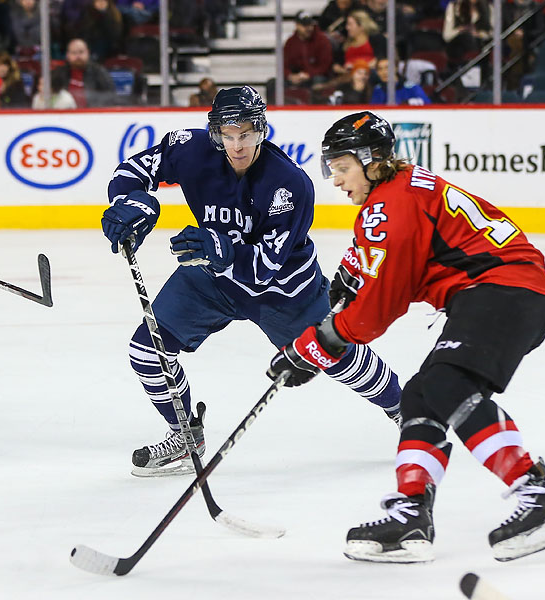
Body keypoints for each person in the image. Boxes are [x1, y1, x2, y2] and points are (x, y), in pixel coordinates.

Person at [267, 111, 545, 563]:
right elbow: (372, 256)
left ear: (372, 161)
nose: (335, 179)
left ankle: (539, 495)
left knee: (447, 386)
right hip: (502, 292)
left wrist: (316, 345)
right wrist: (342, 286)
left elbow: (378, 310)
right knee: (420, 395)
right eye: (330, 168)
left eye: (341, 167)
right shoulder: (402, 188)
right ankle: (410, 515)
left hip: (504, 290)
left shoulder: (389, 204)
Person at [101, 87, 402, 477]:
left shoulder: (288, 184)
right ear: (215, 133)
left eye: (244, 133)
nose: (236, 145)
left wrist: (218, 248)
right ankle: (185, 436)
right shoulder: (190, 149)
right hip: (210, 276)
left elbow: (264, 271)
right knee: (148, 351)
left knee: (339, 357)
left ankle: (404, 409)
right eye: (227, 135)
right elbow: (134, 170)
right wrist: (130, 201)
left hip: (284, 290)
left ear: (260, 129)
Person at [53, 38, 116, 107]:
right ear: (68, 55)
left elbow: (111, 94)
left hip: (91, 114)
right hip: (65, 114)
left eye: (81, 52)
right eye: (74, 53)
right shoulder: (59, 73)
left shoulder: (99, 71)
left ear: (88, 53)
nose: (78, 56)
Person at [283, 12, 332, 88]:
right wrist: (290, 76)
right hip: (296, 77)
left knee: (318, 81)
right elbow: (284, 65)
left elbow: (325, 66)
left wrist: (309, 74)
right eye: (304, 25)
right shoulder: (290, 42)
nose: (308, 28)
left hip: (314, 77)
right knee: (273, 83)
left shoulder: (322, 40)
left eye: (310, 25)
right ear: (297, 25)